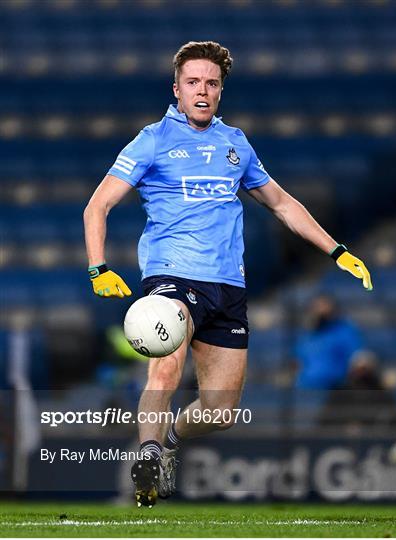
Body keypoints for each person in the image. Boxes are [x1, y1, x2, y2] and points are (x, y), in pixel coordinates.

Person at [83, 41, 373, 508]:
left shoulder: (234, 143)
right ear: (176, 89)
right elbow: (98, 205)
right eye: (193, 82)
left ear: (220, 91)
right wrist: (98, 268)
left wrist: (335, 249)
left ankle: (171, 438)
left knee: (220, 413)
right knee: (166, 365)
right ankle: (148, 456)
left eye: (211, 83)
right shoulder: (153, 139)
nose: (202, 91)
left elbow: (280, 202)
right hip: (172, 276)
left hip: (228, 287)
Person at [293, 294, 362, 390]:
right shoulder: (307, 335)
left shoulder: (344, 331)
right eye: (316, 307)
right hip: (305, 389)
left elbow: (358, 359)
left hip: (334, 389)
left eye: (323, 307)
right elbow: (298, 361)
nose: (319, 311)